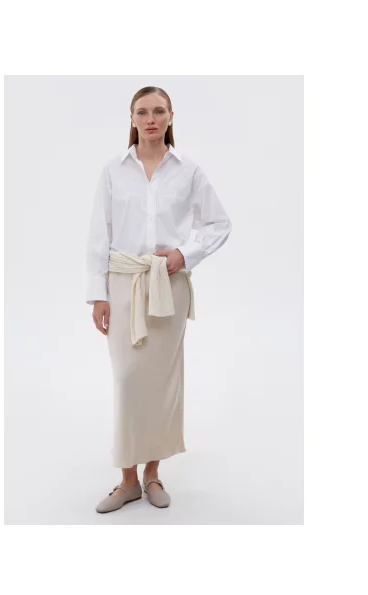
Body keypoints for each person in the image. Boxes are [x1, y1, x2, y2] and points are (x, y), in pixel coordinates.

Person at [85, 86, 232, 513]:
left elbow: (219, 223)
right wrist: (98, 294)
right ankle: (127, 480)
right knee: (127, 380)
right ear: (132, 119)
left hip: (169, 287)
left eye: (159, 111)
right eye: (142, 112)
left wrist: (185, 253)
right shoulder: (113, 171)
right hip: (123, 283)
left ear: (170, 116)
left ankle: (152, 474)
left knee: (162, 383)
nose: (151, 119)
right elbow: (99, 234)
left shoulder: (189, 171)